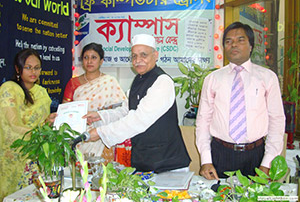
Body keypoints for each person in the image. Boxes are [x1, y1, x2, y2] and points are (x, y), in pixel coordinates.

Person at [83, 34, 191, 173]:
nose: (138, 60)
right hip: (144, 160)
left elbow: (139, 119)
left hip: (168, 164)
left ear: (155, 55)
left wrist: (101, 133)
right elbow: (125, 111)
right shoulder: (137, 80)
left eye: (143, 55)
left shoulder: (162, 81)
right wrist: (100, 116)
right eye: (134, 56)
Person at [195, 22, 285, 180]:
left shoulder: (267, 77)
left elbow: (276, 120)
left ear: (251, 46)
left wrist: (267, 162)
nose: (233, 44)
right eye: (228, 41)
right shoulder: (212, 79)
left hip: (256, 155)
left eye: (240, 40)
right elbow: (203, 120)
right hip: (220, 154)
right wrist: (206, 160)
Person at [0, 49, 56, 200]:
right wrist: (39, 132)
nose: (33, 71)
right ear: (18, 69)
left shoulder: (42, 93)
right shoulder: (9, 89)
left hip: (36, 156)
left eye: (37, 68)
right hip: (14, 156)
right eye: (28, 67)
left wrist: (48, 122)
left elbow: (44, 125)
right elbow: (12, 125)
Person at [62, 42, 129, 165]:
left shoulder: (110, 82)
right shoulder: (73, 83)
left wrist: (99, 115)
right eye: (86, 57)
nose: (89, 61)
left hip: (102, 135)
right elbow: (65, 112)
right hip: (79, 136)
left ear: (101, 61)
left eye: (94, 57)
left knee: (100, 176)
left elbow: (122, 111)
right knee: (80, 173)